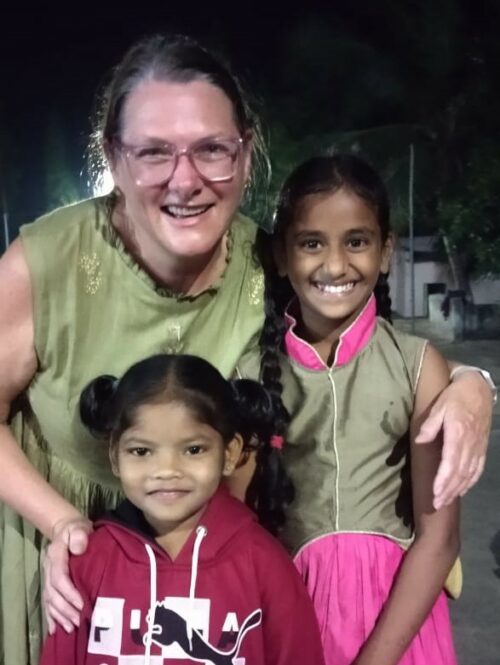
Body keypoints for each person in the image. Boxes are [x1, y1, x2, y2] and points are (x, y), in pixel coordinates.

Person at [0, 33, 493, 665]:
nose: (186, 180)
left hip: (212, 578)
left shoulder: (273, 261)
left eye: (211, 150)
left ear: (245, 152)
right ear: (113, 159)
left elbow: (370, 352)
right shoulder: (45, 263)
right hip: (66, 569)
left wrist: (476, 382)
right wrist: (63, 524)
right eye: (154, 152)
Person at [236, 154, 461, 664]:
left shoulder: (418, 366)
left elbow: (440, 539)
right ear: (281, 255)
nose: (335, 265)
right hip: (291, 619)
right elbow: (237, 524)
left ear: (385, 252)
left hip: (400, 627)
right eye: (312, 243)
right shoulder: (250, 374)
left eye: (356, 241)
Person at [39, 353, 323, 665]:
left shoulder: (265, 564)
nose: (166, 470)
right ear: (114, 456)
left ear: (230, 453)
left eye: (193, 450)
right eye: (141, 451)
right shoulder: (88, 564)